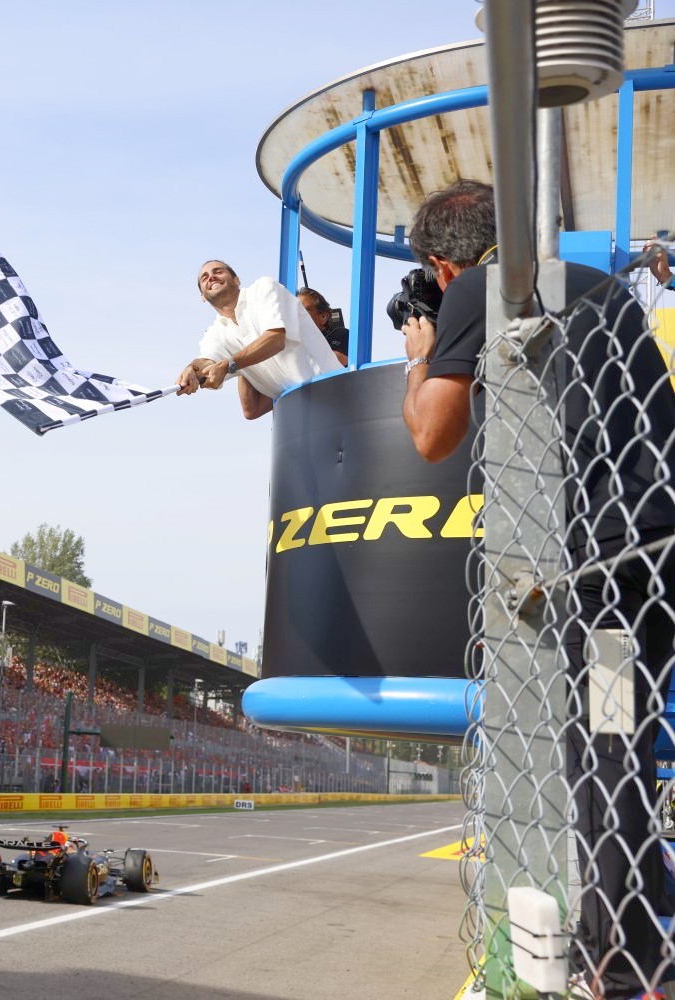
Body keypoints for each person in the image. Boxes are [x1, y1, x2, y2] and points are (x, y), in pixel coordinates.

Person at [400, 179, 675, 1000]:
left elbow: (432, 434)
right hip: (647, 541)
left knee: (605, 745)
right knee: (611, 738)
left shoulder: (485, 286)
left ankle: (621, 964)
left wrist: (422, 355)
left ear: (444, 265)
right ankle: (624, 932)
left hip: (611, 561)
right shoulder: (595, 286)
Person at [177, 260, 343, 419]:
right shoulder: (215, 332)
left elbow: (275, 339)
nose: (211, 277)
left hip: (336, 395)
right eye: (204, 277)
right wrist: (191, 370)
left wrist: (229, 365)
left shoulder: (263, 288)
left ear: (237, 280)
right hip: (297, 416)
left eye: (218, 271)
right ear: (202, 296)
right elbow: (207, 361)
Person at [295, 287, 350, 365]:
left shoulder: (340, 333)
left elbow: (338, 360)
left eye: (302, 310)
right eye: (294, 310)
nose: (297, 314)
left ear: (323, 317)